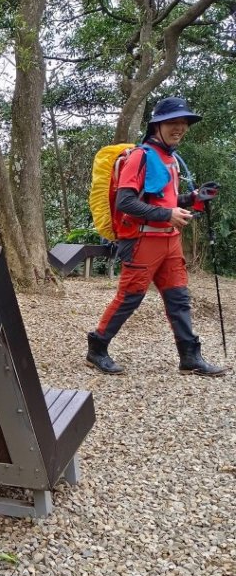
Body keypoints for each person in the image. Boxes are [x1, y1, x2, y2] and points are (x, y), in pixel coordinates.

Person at [86, 96, 226, 377]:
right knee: (130, 298)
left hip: (168, 241)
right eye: (173, 122)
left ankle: (190, 356)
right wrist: (168, 215)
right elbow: (126, 202)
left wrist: (194, 198)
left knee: (178, 298)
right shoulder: (141, 156)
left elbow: (166, 200)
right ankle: (97, 347)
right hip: (142, 241)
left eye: (184, 123)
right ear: (156, 126)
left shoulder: (170, 158)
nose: (180, 128)